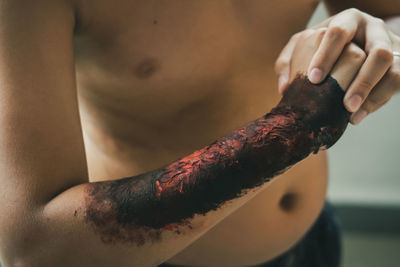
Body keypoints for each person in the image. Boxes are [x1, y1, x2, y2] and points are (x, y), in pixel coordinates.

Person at [0, 0, 398, 266]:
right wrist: (295, 127)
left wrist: (381, 38)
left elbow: (391, 16)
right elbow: (32, 243)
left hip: (314, 239)